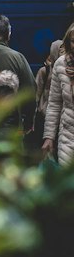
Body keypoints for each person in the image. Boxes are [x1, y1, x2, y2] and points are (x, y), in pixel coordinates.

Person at [0, 14, 37, 133]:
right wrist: (28, 121)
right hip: (10, 124)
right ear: (8, 34)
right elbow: (29, 91)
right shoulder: (17, 58)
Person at [41, 23, 74, 166]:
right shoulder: (61, 64)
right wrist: (49, 137)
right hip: (68, 138)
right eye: (73, 41)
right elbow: (54, 103)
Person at [35, 39, 63, 145]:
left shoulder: (67, 69)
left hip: (63, 117)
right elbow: (36, 93)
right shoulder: (45, 71)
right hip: (45, 114)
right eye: (60, 49)